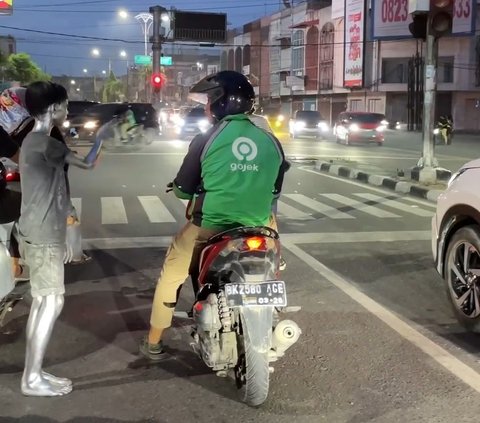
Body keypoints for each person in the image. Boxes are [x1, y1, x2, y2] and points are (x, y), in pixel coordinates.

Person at [140, 70, 289, 361]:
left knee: (171, 274)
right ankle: (277, 262)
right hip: (259, 227)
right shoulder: (271, 141)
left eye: (209, 100)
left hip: (211, 228)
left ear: (222, 102)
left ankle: (154, 342)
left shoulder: (206, 138)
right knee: (271, 230)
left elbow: (183, 190)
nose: (207, 107)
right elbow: (274, 193)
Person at [18, 81, 100, 396]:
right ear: (53, 108)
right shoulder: (46, 143)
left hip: (41, 230)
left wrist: (67, 228)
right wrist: (102, 138)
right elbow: (89, 162)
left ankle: (34, 373)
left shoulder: (32, 141)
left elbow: (57, 187)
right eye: (64, 104)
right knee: (50, 301)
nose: (67, 110)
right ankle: (31, 379)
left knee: (46, 300)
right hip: (42, 232)